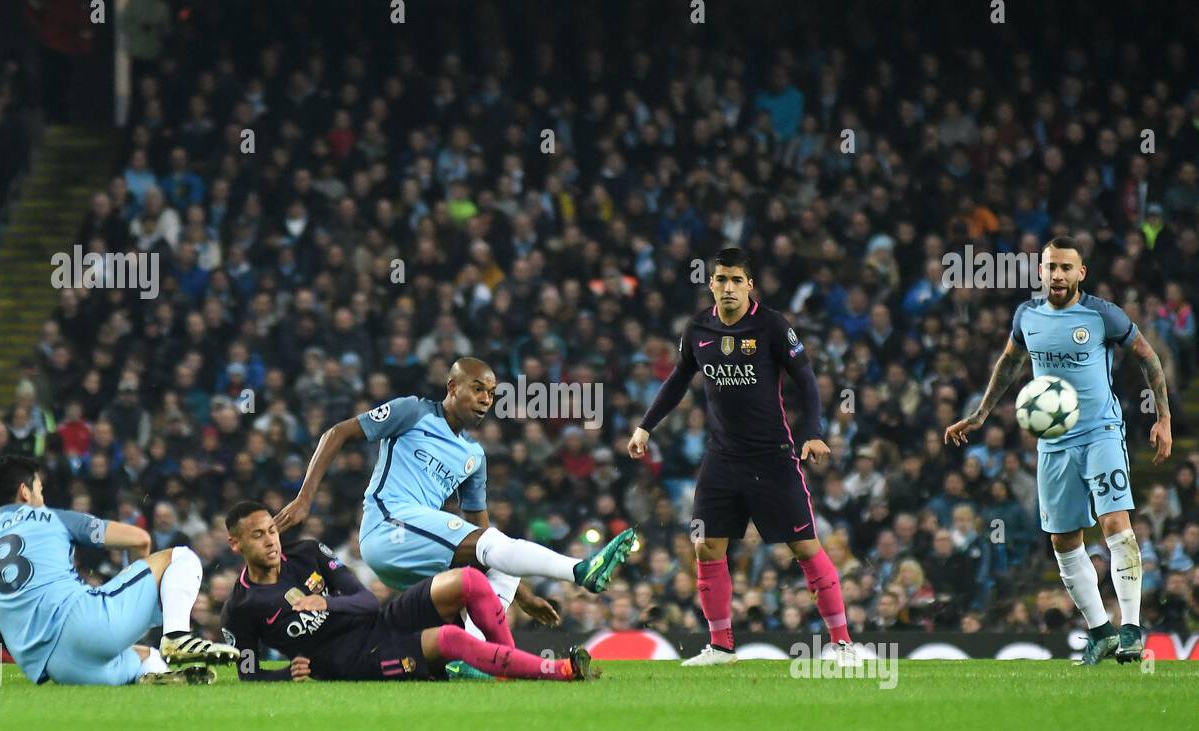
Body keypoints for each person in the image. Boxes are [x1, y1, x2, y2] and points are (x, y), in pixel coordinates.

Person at [273, 357, 636, 637]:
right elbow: (337, 432)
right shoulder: (412, 412)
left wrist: (523, 595)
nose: (485, 399)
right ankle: (578, 570)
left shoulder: (474, 457)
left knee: (496, 567)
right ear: (452, 386)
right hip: (386, 526)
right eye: (477, 389)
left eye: (491, 394)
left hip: (415, 549)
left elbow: (485, 535)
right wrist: (305, 498)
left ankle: (476, 655)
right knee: (492, 548)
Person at [945, 235, 1173, 664]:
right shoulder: (1027, 315)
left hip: (1101, 432)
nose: (1058, 275)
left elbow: (1148, 357)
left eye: (1067, 268)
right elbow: (1010, 362)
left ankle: (1130, 629)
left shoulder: (1102, 314)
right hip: (1052, 443)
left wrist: (1163, 418)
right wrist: (980, 414)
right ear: (1040, 271)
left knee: (1114, 522)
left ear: (1080, 273)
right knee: (1064, 540)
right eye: (1051, 267)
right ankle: (1100, 631)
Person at [629, 247, 858, 666]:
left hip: (773, 457)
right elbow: (678, 378)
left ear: (749, 285)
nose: (728, 288)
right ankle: (720, 647)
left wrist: (813, 433)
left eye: (737, 280)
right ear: (711, 284)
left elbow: (806, 380)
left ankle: (843, 644)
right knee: (706, 546)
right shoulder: (697, 328)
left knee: (805, 547)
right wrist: (646, 426)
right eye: (721, 280)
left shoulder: (772, 326)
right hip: (721, 459)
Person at [0, 455, 238, 686]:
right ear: (25, 492)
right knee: (181, 557)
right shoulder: (48, 517)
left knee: (146, 656)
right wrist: (132, 604)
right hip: (87, 621)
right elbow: (139, 538)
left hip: (59, 667)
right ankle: (178, 636)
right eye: (40, 490)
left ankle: (156, 676)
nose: (42, 498)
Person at [222, 501, 596, 682]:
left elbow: (366, 601)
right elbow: (246, 671)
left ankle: (507, 668)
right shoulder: (242, 606)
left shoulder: (307, 553)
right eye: (257, 536)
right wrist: (286, 674)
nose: (271, 541)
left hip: (378, 621)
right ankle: (559, 670)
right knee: (450, 638)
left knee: (469, 580)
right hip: (348, 660)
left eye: (271, 529)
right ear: (235, 545)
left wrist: (326, 603)